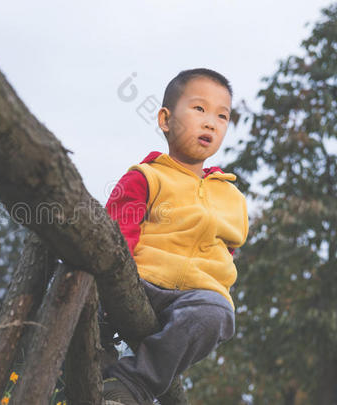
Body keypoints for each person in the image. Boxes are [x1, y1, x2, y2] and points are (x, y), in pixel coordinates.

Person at [101, 68, 249, 405]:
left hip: (195, 297)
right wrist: (112, 282)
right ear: (166, 119)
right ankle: (96, 348)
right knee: (82, 278)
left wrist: (216, 278)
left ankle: (132, 384)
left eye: (222, 116)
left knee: (217, 313)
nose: (211, 122)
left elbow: (227, 251)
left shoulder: (232, 197)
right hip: (142, 282)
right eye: (199, 109)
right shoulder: (147, 177)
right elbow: (118, 232)